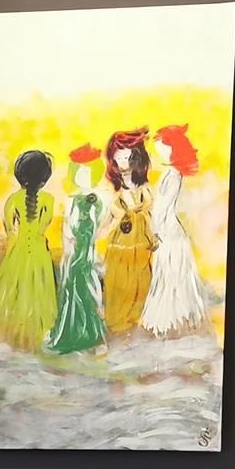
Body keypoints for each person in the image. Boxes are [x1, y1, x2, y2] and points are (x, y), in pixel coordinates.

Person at [141, 123, 215, 338]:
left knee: (170, 277)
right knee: (171, 276)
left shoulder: (173, 177)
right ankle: (172, 320)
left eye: (164, 148)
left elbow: (163, 209)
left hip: (169, 233)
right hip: (170, 232)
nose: (159, 152)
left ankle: (167, 321)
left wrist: (155, 230)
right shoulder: (171, 175)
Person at [0, 149, 59, 351]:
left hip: (18, 251)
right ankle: (39, 334)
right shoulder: (49, 200)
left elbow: (10, 230)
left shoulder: (12, 200)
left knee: (18, 291)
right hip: (40, 250)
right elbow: (44, 224)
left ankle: (15, 335)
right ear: (44, 176)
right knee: (40, 290)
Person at [43, 146, 106, 356]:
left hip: (88, 253)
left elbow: (101, 226)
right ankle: (71, 333)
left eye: (86, 172)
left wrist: (93, 250)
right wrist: (68, 253)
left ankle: (93, 335)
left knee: (90, 290)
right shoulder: (71, 200)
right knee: (71, 290)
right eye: (78, 172)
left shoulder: (99, 199)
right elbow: (67, 229)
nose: (82, 177)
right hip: (74, 254)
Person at [100, 128, 154, 335]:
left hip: (141, 244)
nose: (122, 163)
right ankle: (117, 321)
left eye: (127, 158)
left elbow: (151, 216)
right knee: (118, 280)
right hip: (120, 246)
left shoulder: (144, 191)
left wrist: (154, 236)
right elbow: (106, 224)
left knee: (141, 280)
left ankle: (136, 318)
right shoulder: (114, 195)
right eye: (118, 158)